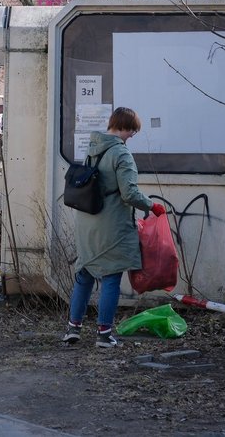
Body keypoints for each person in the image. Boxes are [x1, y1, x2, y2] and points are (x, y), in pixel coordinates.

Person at [61, 107, 165, 348]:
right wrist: (152, 206)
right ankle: (104, 334)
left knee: (84, 274)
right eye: (132, 131)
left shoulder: (92, 149)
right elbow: (129, 193)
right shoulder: (121, 154)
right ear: (125, 127)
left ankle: (72, 329)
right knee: (111, 277)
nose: (132, 136)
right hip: (111, 224)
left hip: (88, 220)